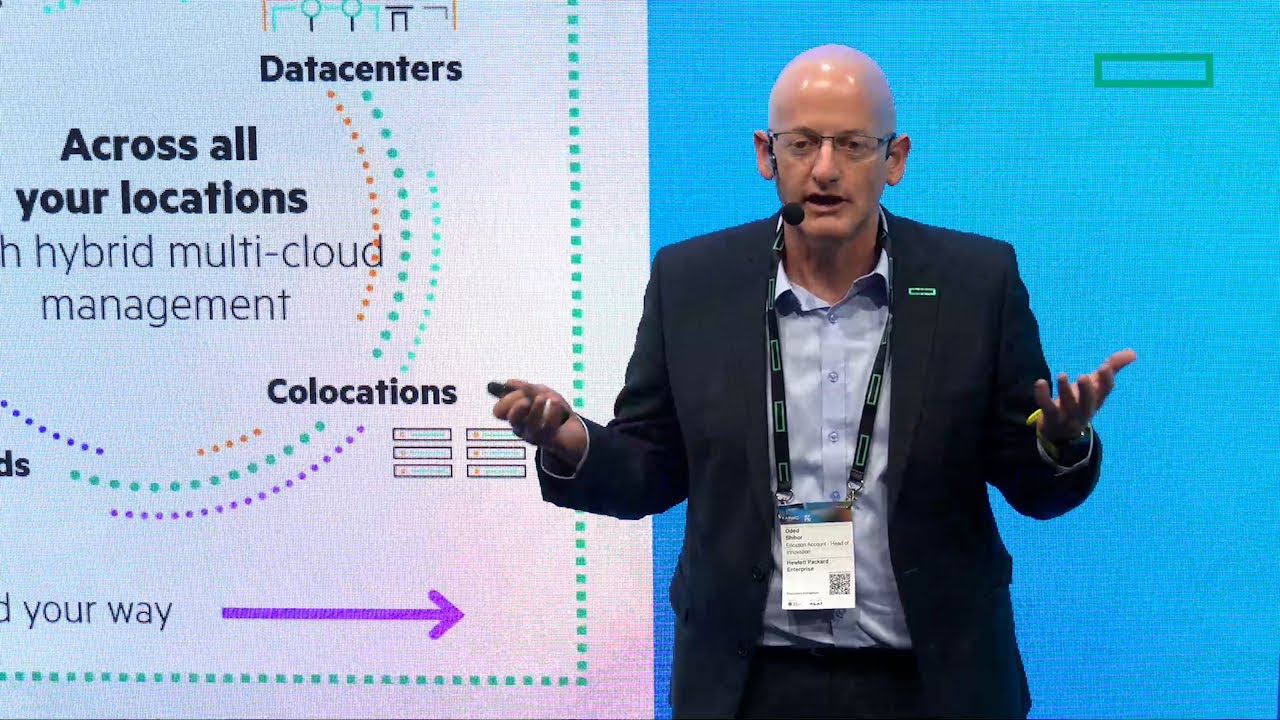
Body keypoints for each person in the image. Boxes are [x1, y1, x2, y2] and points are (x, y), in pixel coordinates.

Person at [492, 44, 1136, 719]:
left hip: (936, 683)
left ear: (895, 159)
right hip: (746, 686)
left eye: (853, 145)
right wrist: (572, 442)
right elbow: (651, 466)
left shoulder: (975, 282)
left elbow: (1031, 485)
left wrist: (1060, 442)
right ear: (766, 154)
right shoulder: (692, 282)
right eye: (802, 144)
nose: (824, 169)